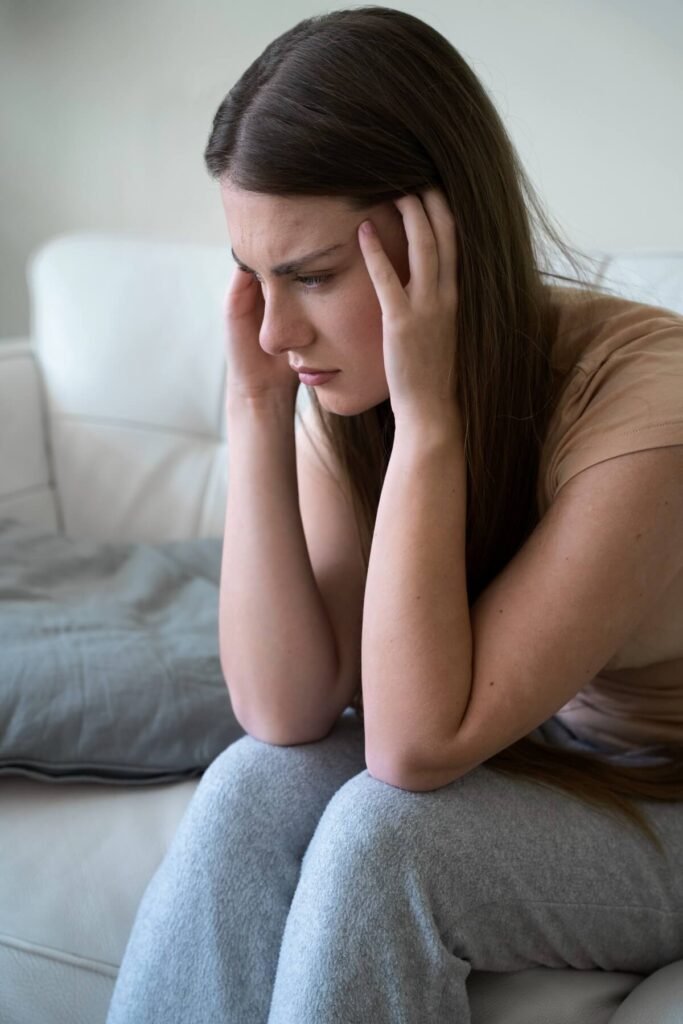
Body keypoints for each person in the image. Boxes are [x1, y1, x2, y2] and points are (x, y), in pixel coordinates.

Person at [105, 6, 683, 1022]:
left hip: (663, 799)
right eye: (253, 278)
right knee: (249, 784)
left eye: (313, 277)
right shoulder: (336, 382)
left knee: (387, 835)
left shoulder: (649, 406)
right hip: (540, 753)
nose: (278, 329)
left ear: (435, 241)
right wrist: (254, 407)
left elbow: (412, 746)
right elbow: (284, 706)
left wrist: (429, 424)